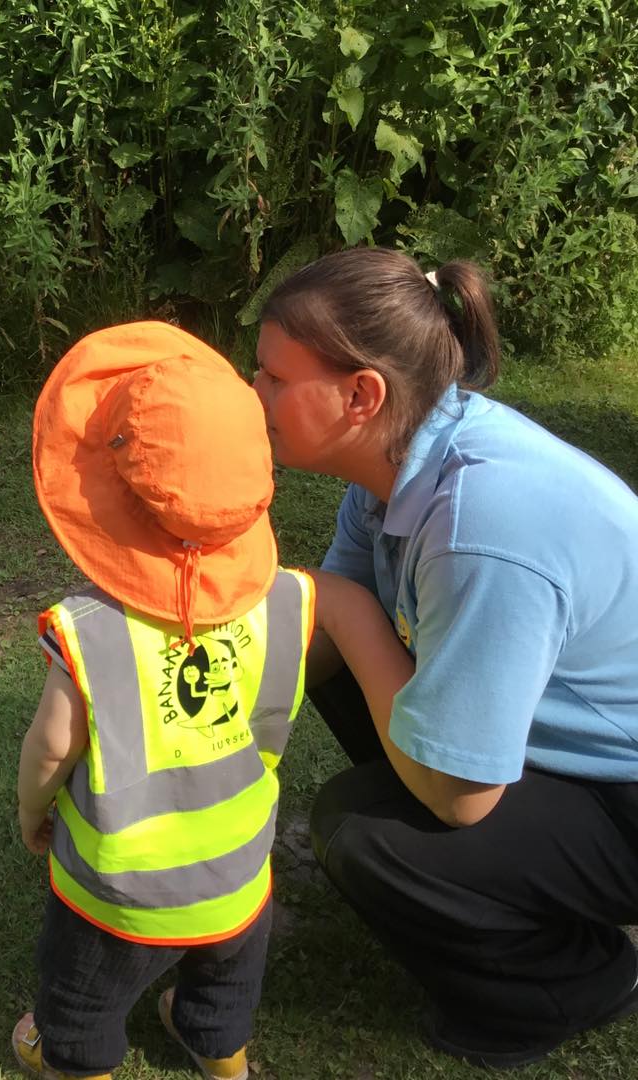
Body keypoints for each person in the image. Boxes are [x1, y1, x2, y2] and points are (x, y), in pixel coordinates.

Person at [253, 246, 638, 1069]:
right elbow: (317, 644)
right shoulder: (402, 457)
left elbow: (462, 799)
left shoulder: (479, 526)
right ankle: (497, 878)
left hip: (626, 791)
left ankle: (576, 981)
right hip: (579, 742)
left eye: (275, 378)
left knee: (361, 831)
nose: (255, 395)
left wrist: (347, 608)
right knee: (338, 641)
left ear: (362, 395)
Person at [13, 321, 412, 1080]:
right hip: (239, 872)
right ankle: (221, 1055)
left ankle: (75, 1058)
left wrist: (34, 809)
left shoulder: (89, 633)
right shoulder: (293, 602)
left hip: (120, 891)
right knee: (225, 986)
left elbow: (54, 745)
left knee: (81, 1000)